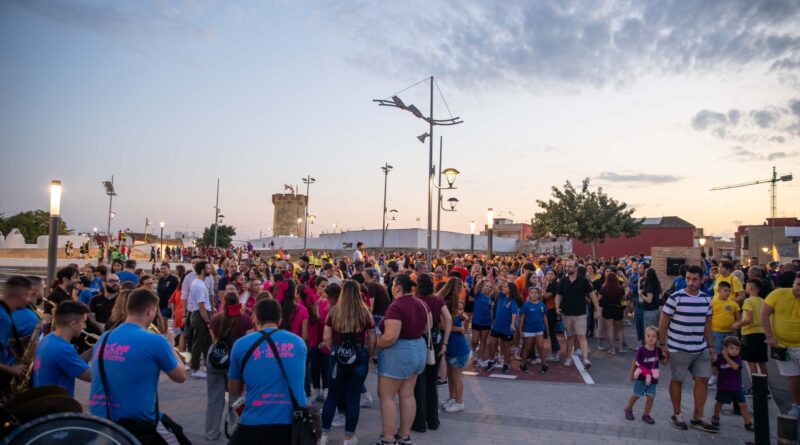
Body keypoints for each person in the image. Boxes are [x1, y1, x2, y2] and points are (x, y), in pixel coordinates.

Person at [89, 289, 187, 444]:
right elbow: (181, 376)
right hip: (137, 423)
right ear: (150, 311)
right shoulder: (155, 341)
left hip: (102, 419)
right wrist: (170, 347)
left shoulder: (104, 337)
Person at [227, 299, 308, 445]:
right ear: (280, 319)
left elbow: (234, 390)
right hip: (292, 424)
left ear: (255, 318)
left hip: (254, 422)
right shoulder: (298, 343)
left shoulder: (240, 345)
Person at [659, 265, 718, 433]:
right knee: (677, 379)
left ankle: (697, 417)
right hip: (678, 347)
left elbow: (707, 324)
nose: (691, 282)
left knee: (702, 380)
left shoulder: (706, 299)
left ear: (702, 279)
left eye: (695, 279)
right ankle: (677, 414)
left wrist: (711, 346)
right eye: (688, 279)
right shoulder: (675, 298)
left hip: (700, 348)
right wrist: (663, 345)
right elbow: (664, 322)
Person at [319, 280, 375, 445]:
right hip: (358, 354)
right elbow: (372, 337)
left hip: (337, 354)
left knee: (332, 396)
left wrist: (333, 351)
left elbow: (326, 337)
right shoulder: (364, 312)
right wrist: (368, 354)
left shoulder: (334, 311)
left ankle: (324, 435)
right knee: (353, 398)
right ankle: (348, 437)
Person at [375, 274, 429, 445]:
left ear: (397, 287)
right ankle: (405, 436)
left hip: (398, 352)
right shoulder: (421, 302)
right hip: (418, 349)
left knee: (387, 396)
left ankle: (388, 439)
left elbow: (390, 336)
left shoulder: (396, 306)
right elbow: (428, 326)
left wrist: (376, 343)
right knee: (407, 395)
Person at [205, 292, 254, 441]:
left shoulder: (215, 319)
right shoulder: (245, 320)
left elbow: (214, 339)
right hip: (235, 360)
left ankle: (211, 433)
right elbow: (248, 343)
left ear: (224, 302)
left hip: (215, 359)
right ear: (238, 302)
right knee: (236, 398)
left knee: (214, 398)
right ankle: (234, 432)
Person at [412, 274, 452, 432]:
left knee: (418, 383)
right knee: (431, 383)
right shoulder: (437, 299)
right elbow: (448, 319)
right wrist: (445, 342)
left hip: (420, 340)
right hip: (436, 339)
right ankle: (433, 420)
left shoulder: (416, 300)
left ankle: (420, 422)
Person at [761, 273, 800, 417]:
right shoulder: (778, 294)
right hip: (783, 346)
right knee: (793, 377)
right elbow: (764, 314)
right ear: (793, 283)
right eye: (798, 284)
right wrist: (769, 336)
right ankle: (796, 405)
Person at [33, 301, 92, 396]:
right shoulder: (62, 349)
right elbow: (91, 376)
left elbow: (73, 363)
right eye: (83, 322)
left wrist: (93, 350)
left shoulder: (49, 338)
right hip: (55, 405)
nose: (84, 327)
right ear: (73, 324)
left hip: (43, 399)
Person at [556, 260, 599, 369]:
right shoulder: (563, 281)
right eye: (567, 266)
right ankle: (569, 358)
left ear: (576, 268)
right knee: (569, 337)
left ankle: (585, 360)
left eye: (570, 266)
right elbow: (558, 295)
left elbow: (592, 294)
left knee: (581, 336)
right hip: (566, 314)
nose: (567, 268)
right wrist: (557, 307)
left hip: (580, 314)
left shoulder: (583, 280)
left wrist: (597, 309)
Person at [711, 336, 753, 430]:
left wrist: (726, 357)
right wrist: (713, 360)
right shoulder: (719, 357)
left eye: (737, 349)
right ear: (725, 348)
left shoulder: (737, 358)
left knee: (743, 405)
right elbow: (713, 365)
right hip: (723, 386)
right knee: (719, 403)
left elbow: (735, 367)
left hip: (736, 387)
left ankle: (748, 422)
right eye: (732, 348)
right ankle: (715, 417)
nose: (734, 351)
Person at [0, 276, 32, 396]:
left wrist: (18, 341)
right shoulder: (3, 318)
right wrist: (10, 369)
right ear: (22, 295)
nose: (29, 300)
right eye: (29, 295)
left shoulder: (3, 312)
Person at [735, 279, 768, 395]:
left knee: (751, 361)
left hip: (750, 333)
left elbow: (748, 319)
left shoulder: (748, 301)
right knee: (761, 361)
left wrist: (737, 324)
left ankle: (755, 387)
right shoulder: (762, 300)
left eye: (747, 286)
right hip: (761, 332)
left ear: (751, 288)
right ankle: (764, 387)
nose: (745, 288)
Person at [625, 326, 661, 424]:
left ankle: (646, 414)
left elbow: (665, 361)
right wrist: (632, 374)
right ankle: (628, 409)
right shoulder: (641, 350)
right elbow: (634, 362)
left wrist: (667, 354)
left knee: (651, 397)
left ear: (657, 338)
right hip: (640, 378)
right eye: (648, 335)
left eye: (654, 336)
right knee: (636, 395)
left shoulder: (658, 350)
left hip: (652, 379)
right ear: (645, 337)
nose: (651, 338)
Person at [484, 279, 522, 374]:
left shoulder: (513, 302)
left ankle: (506, 364)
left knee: (506, 347)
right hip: (496, 326)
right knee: (492, 343)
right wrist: (490, 277)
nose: (503, 288)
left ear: (511, 290)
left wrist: (513, 324)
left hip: (507, 328)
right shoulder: (501, 296)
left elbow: (514, 314)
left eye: (505, 287)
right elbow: (494, 287)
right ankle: (491, 361)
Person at [187, 261, 213, 379]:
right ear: (202, 270)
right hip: (199, 315)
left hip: (201, 314)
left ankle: (207, 367)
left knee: (206, 342)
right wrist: (208, 321)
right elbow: (201, 306)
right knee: (198, 343)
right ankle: (195, 368)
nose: (210, 269)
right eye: (208, 268)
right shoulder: (198, 285)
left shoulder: (200, 283)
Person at [519, 286, 549, 374]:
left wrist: (547, 329)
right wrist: (520, 330)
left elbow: (545, 317)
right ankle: (523, 363)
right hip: (528, 330)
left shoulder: (542, 305)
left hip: (539, 329)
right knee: (527, 348)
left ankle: (544, 365)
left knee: (541, 347)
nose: (534, 294)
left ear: (539, 294)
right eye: (532, 293)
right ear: (529, 294)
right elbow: (522, 318)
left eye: (536, 293)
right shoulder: (526, 305)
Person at [599, 269, 626, 355]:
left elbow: (599, 299)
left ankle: (612, 349)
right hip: (618, 309)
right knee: (620, 329)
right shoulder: (620, 288)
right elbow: (624, 299)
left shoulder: (603, 288)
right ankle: (621, 348)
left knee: (609, 330)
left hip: (607, 309)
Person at [472, 280, 493, 366]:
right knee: (475, 340)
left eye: (489, 287)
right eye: (486, 286)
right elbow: (476, 287)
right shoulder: (478, 295)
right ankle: (473, 351)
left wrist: (492, 322)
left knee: (483, 341)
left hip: (486, 323)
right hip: (476, 321)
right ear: (482, 287)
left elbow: (491, 311)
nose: (487, 288)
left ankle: (480, 358)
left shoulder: (491, 298)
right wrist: (482, 279)